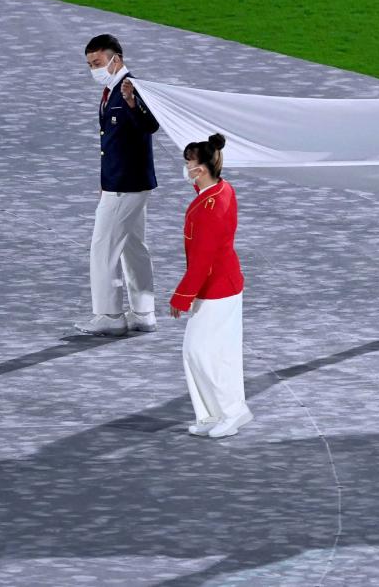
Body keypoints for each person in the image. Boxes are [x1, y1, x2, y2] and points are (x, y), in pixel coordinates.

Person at [75, 34, 160, 336]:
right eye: (89, 65)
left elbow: (150, 125)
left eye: (97, 63)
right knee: (134, 247)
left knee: (103, 248)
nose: (93, 70)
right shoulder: (112, 91)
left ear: (116, 59)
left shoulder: (129, 88)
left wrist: (132, 103)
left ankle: (109, 314)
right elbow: (112, 144)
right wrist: (105, 182)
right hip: (124, 182)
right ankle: (143, 312)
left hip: (126, 186)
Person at [170, 134, 252, 438]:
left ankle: (231, 412)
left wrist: (181, 297)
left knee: (200, 352)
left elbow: (202, 262)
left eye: (189, 163)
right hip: (224, 283)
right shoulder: (221, 189)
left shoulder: (210, 209)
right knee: (210, 352)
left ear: (200, 169)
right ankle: (213, 413)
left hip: (217, 289)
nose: (186, 168)